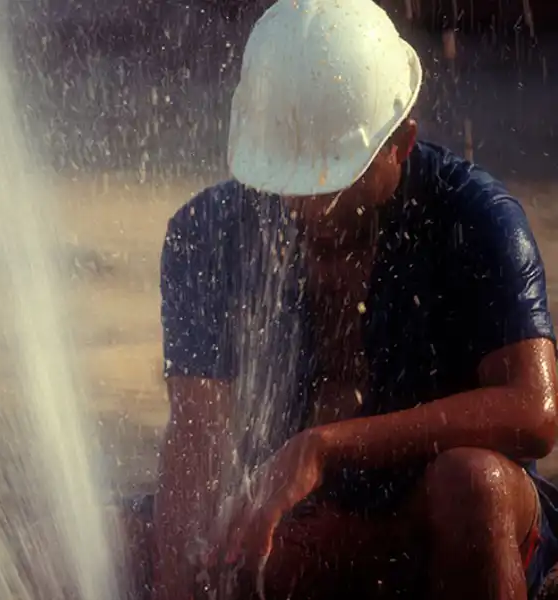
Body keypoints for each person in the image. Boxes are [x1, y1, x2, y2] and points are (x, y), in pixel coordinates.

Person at [150, 1, 558, 599]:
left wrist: (325, 448)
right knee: (120, 533)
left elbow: (535, 414)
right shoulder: (207, 232)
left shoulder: (475, 217)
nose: (307, 207)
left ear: (401, 143)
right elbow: (194, 436)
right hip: (292, 530)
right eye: (290, 181)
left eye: (335, 181)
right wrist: (177, 578)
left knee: (475, 485)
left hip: (426, 524)